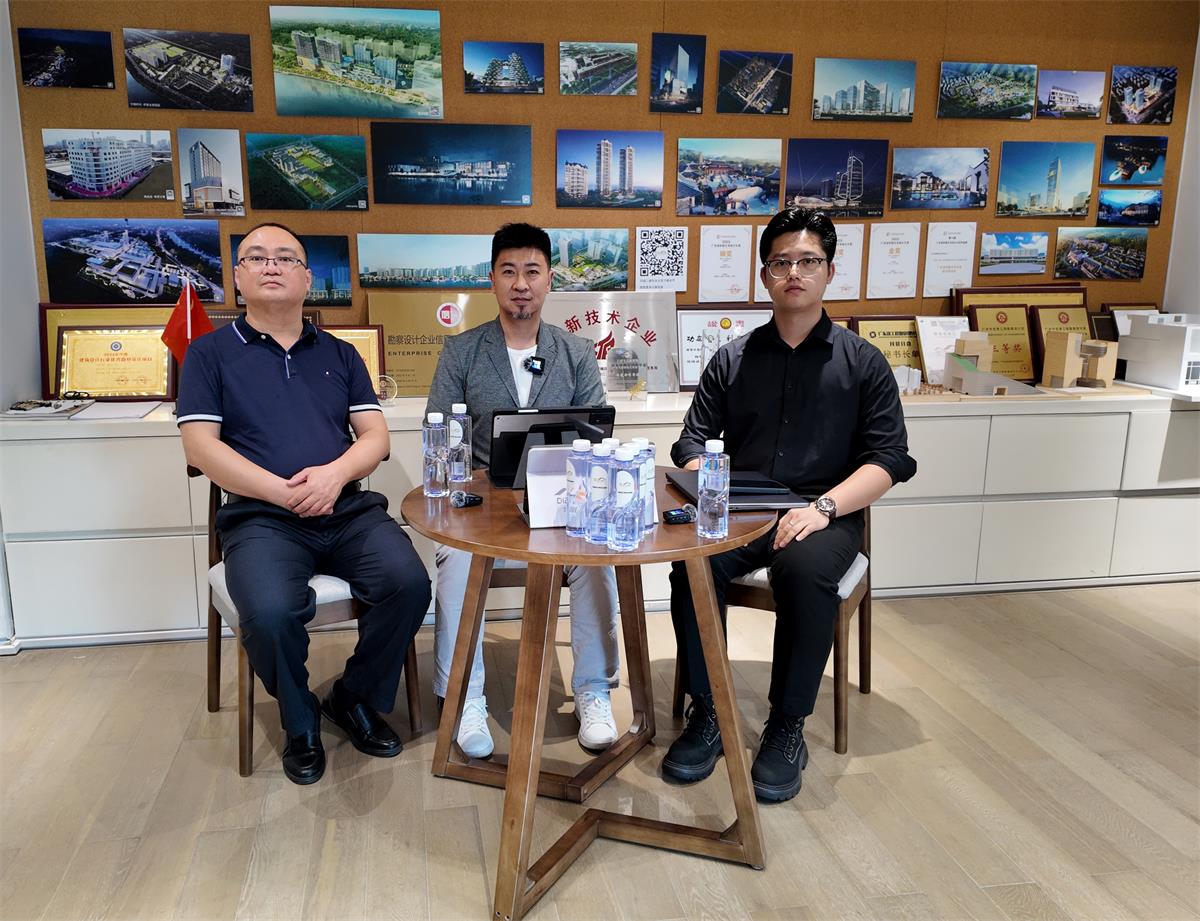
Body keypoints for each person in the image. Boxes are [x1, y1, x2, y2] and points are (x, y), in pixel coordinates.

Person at [663, 208, 916, 802]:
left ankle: (787, 724)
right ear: (764, 274)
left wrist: (823, 508)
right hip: (744, 509)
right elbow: (691, 441)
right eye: (781, 263)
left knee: (803, 573)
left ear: (829, 271)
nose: (794, 273)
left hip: (824, 512)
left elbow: (889, 459)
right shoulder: (732, 358)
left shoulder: (863, 363)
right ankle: (708, 710)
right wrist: (706, 477)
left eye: (808, 261)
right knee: (691, 565)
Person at [178, 222, 431, 785]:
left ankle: (353, 697)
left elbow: (375, 438)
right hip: (261, 519)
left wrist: (333, 477)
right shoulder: (209, 354)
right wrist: (284, 492)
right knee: (269, 613)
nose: (272, 266)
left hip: (346, 511)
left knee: (409, 584)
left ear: (307, 278)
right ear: (237, 275)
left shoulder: (341, 354)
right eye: (257, 257)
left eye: (286, 258)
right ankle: (300, 722)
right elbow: (200, 448)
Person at [426, 222, 620, 758]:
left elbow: (598, 437)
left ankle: (594, 690)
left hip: (562, 503)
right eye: (508, 271)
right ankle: (465, 696)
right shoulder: (462, 351)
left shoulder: (576, 352)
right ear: (491, 279)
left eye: (532, 271)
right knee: (456, 559)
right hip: (485, 505)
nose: (520, 284)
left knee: (597, 557)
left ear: (549, 279)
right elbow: (439, 429)